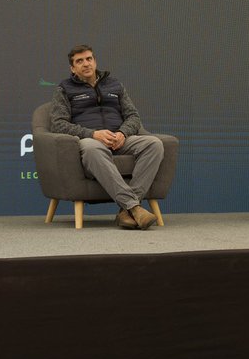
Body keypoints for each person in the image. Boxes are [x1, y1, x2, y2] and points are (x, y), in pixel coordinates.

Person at [49, 45, 164, 230]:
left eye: (89, 59)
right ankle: (134, 207)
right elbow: (58, 124)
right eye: (80, 61)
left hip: (120, 139)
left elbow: (133, 116)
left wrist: (123, 133)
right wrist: (93, 134)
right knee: (92, 148)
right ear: (72, 68)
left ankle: (126, 210)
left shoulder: (114, 84)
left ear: (95, 61)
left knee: (154, 144)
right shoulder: (64, 89)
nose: (86, 64)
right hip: (91, 140)